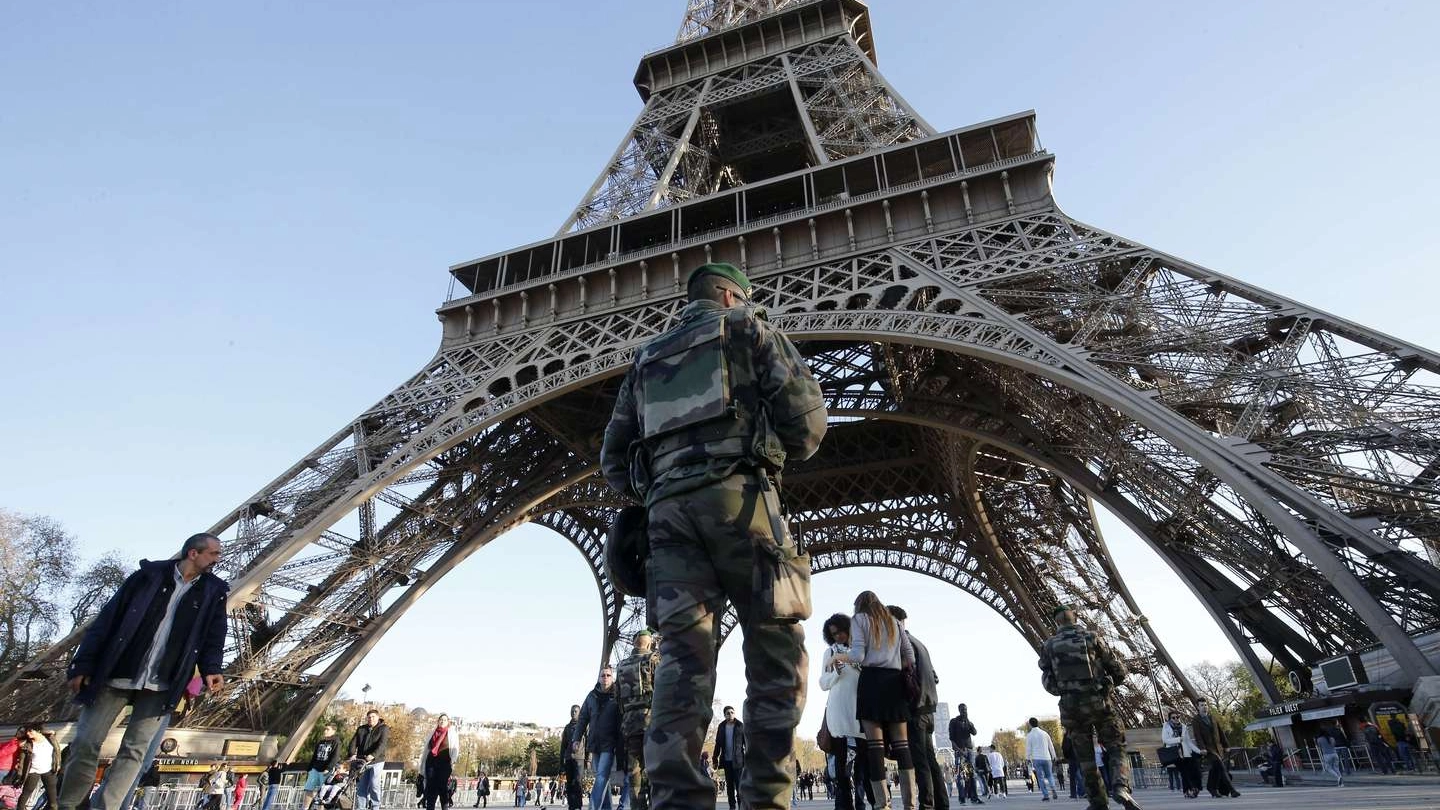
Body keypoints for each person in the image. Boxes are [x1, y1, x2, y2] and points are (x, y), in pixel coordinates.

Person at [601, 261, 827, 810]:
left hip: (668, 522)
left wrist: (666, 482)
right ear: (732, 297)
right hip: (742, 504)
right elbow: (808, 426)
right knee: (775, 654)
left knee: (680, 663)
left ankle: (678, 801)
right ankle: (766, 797)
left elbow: (613, 460)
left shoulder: (646, 358)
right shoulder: (749, 329)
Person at [57, 534, 228, 810]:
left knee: (135, 753)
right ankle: (70, 805)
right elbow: (107, 620)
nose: (218, 559)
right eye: (214, 554)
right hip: (118, 671)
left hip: (163, 680)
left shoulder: (213, 591)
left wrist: (211, 668)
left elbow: (214, 636)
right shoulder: (147, 577)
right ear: (193, 554)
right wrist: (83, 663)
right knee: (86, 742)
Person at [1037, 604, 1140, 810]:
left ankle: (1098, 802)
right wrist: (1107, 683)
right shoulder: (1092, 637)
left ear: (1057, 621)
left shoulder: (1049, 645)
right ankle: (1120, 787)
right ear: (1075, 617)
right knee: (1116, 745)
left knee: (1085, 759)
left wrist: (1066, 690)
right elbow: (1118, 669)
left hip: (1071, 708)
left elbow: (1048, 683)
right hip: (1099, 701)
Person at [886, 607, 945, 810]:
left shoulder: (903, 645)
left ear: (898, 621)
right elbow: (934, 676)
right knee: (930, 760)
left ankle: (927, 805)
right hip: (928, 707)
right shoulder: (919, 643)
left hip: (915, 708)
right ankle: (941, 804)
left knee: (920, 761)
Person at [819, 614, 862, 810]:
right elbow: (823, 683)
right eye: (833, 634)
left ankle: (860, 802)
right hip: (838, 714)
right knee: (841, 767)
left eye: (840, 632)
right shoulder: (829, 653)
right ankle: (845, 805)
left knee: (863, 768)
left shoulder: (859, 651)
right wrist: (836, 672)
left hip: (859, 712)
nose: (838, 637)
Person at [617, 630, 661, 810]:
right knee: (654, 768)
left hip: (629, 723)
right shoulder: (654, 660)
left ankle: (637, 806)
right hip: (651, 721)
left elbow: (617, 697)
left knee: (634, 771)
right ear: (650, 643)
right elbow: (663, 690)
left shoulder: (621, 665)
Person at [574, 666, 622, 810]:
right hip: (594, 744)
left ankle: (593, 807)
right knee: (603, 778)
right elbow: (582, 718)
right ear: (599, 678)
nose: (605, 678)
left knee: (601, 777)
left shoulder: (617, 695)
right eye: (603, 675)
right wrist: (576, 738)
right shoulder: (591, 696)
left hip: (609, 743)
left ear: (612, 678)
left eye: (608, 675)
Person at [1188, 700, 1237, 798]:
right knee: (1221, 767)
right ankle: (1232, 790)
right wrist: (1202, 748)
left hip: (1218, 748)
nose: (1204, 707)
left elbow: (1220, 732)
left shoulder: (1213, 718)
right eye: (1202, 705)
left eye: (1205, 705)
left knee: (1216, 769)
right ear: (1198, 707)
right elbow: (1198, 736)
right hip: (1208, 749)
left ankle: (1211, 788)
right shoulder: (1196, 720)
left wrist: (1226, 745)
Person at [349, 710, 390, 810]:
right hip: (362, 761)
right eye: (369, 717)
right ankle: (361, 807)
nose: (371, 719)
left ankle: (375, 806)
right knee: (361, 786)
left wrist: (373, 755)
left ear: (378, 717)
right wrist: (352, 754)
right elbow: (353, 743)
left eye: (373, 717)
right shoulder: (361, 729)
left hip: (376, 761)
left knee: (374, 783)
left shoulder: (383, 728)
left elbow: (382, 744)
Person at [14, 724, 59, 810]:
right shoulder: (27, 744)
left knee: (53, 799)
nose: (28, 733)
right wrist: (19, 775)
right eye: (27, 731)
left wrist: (57, 765)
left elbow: (56, 752)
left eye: (30, 731)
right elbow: (22, 762)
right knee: (26, 793)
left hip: (48, 771)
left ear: (38, 731)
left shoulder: (50, 739)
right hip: (33, 771)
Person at [1158, 710, 1201, 798]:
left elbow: (1188, 742)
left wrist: (1199, 751)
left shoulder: (1184, 727)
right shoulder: (1166, 727)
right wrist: (1177, 739)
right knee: (1184, 773)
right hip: (1176, 754)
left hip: (1186, 753)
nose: (1176, 719)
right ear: (1169, 719)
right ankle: (1190, 790)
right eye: (1173, 718)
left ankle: (1189, 790)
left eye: (1177, 717)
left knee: (1192, 772)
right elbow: (1165, 740)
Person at [421, 715, 459, 810]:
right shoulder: (433, 733)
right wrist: (422, 764)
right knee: (431, 788)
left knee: (442, 787)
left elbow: (456, 748)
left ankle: (444, 807)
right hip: (431, 762)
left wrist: (453, 761)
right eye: (441, 719)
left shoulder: (451, 733)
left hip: (444, 763)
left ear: (448, 722)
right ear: (438, 721)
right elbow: (426, 749)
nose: (442, 721)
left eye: (444, 720)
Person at [711, 707, 745, 810]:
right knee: (729, 786)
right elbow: (718, 744)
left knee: (739, 786)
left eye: (732, 712)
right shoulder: (721, 727)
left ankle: (741, 806)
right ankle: (732, 807)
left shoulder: (740, 726)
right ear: (724, 715)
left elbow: (746, 743)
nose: (730, 714)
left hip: (738, 762)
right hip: (726, 761)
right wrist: (714, 759)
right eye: (727, 713)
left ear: (734, 713)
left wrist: (749, 759)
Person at [304, 725, 343, 810]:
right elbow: (314, 756)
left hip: (326, 770)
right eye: (325, 729)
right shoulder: (320, 742)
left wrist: (328, 768)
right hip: (315, 768)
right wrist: (309, 768)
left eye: (328, 729)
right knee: (309, 789)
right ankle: (305, 808)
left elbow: (335, 757)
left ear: (333, 731)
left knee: (322, 793)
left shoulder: (336, 742)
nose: (325, 731)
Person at [947, 706, 978, 806]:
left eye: (966, 710)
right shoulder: (954, 722)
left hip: (970, 751)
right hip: (960, 752)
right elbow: (951, 739)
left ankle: (974, 798)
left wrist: (968, 721)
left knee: (972, 774)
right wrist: (959, 750)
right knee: (960, 776)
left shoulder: (968, 722)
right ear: (959, 710)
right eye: (962, 710)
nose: (964, 711)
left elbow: (974, 732)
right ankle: (962, 799)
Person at [1024, 719, 1058, 801]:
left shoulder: (1030, 735)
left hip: (1036, 758)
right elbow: (1051, 746)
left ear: (1030, 724)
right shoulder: (1044, 733)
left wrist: (1028, 758)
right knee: (1049, 775)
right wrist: (1054, 756)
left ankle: (1046, 795)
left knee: (1040, 778)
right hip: (1047, 757)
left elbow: (1028, 749)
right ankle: (1053, 787)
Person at [560, 704, 582, 810]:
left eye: (575, 711)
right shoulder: (567, 728)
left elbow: (588, 742)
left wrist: (589, 759)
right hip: (569, 758)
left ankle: (578, 805)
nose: (573, 713)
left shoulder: (583, 725)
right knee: (569, 784)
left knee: (577, 783)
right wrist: (561, 764)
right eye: (572, 711)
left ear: (579, 712)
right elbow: (563, 746)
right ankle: (571, 805)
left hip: (580, 758)